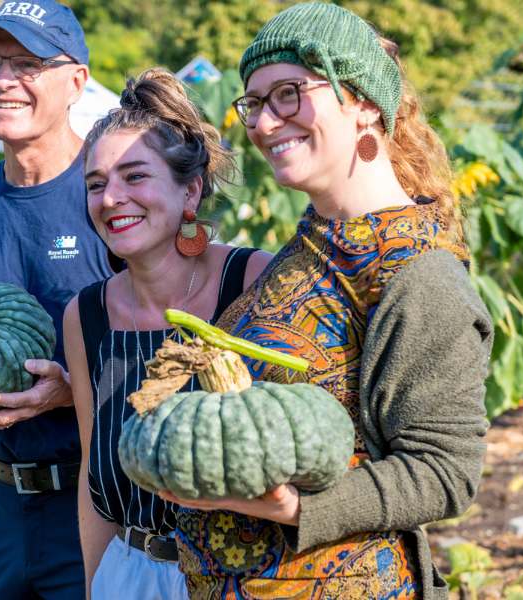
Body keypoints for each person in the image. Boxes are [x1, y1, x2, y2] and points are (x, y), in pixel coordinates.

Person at [158, 3, 494, 599]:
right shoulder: (311, 245)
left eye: (288, 94)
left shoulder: (420, 276)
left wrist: (295, 507)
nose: (263, 123)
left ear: (363, 103)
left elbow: (446, 471)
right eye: (254, 104)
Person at [62, 68, 272, 600]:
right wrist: (95, 586)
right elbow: (94, 476)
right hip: (128, 574)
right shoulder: (86, 315)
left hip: (243, 578)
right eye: (96, 184)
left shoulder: (254, 282)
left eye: (134, 177)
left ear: (191, 191)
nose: (110, 198)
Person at [0, 2, 113, 598]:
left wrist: (74, 388)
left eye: (27, 64)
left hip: (92, 502)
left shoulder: (113, 197)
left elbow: (165, 342)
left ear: (76, 83)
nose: (2, 80)